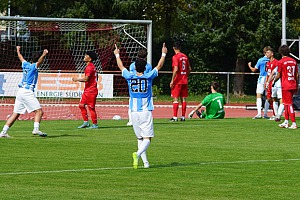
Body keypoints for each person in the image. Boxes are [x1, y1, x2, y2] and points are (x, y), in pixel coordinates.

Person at [114, 43, 167, 169]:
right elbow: (159, 66)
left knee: (139, 138)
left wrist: (117, 54)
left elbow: (121, 66)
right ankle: (137, 154)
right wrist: (163, 53)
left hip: (133, 112)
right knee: (147, 138)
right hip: (145, 111)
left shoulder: (129, 76)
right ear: (145, 67)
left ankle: (145, 163)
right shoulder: (148, 76)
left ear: (134, 67)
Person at [0, 46, 48, 138]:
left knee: (16, 113)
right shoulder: (34, 67)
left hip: (20, 92)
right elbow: (40, 61)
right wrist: (44, 54)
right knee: (39, 112)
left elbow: (20, 57)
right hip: (27, 92)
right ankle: (36, 129)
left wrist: (18, 50)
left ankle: (3, 132)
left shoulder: (25, 64)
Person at [273, 45, 298, 129]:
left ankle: (294, 123)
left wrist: (273, 81)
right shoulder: (294, 61)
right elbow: (297, 75)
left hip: (286, 85)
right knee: (286, 103)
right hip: (293, 84)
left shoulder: (280, 62)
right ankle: (286, 121)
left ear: (280, 52)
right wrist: (297, 84)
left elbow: (279, 74)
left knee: (289, 104)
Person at [72, 51, 99, 129]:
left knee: (91, 107)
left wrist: (77, 79)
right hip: (87, 90)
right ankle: (86, 122)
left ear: (90, 59)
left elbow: (86, 79)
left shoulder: (90, 67)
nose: (84, 56)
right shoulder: (90, 66)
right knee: (81, 105)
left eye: (86, 55)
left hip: (91, 90)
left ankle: (95, 124)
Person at [127, 49, 152, 126]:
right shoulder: (148, 66)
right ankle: (144, 120)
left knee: (131, 103)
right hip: (144, 87)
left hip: (134, 87)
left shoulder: (132, 65)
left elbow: (130, 74)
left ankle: (131, 120)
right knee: (146, 105)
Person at [170, 41, 191, 122]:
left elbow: (176, 69)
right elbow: (189, 69)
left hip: (177, 80)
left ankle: (175, 117)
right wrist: (185, 75)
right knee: (183, 99)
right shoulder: (185, 56)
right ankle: (183, 116)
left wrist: (172, 80)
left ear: (173, 48)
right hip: (184, 80)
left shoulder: (175, 57)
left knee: (175, 99)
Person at [248, 46, 272, 119]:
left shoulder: (261, 60)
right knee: (268, 96)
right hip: (269, 78)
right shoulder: (271, 60)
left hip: (262, 79)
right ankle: (265, 114)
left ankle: (259, 113)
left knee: (259, 95)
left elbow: (254, 70)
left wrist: (249, 65)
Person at [265, 49, 284, 122]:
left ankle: (277, 115)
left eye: (268, 52)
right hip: (271, 83)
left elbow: (276, 74)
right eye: (266, 53)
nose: (267, 54)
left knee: (279, 99)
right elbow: (269, 74)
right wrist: (267, 82)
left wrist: (272, 80)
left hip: (276, 83)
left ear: (272, 54)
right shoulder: (267, 63)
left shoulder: (277, 62)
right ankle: (276, 114)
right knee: (271, 98)